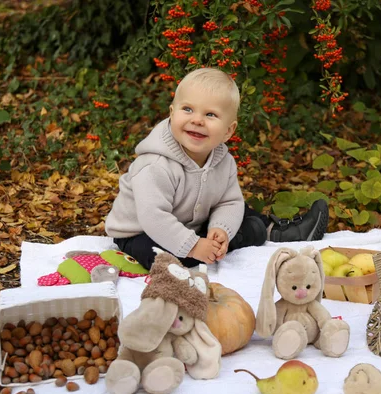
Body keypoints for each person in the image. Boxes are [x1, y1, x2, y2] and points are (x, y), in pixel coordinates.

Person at [105, 67, 329, 270]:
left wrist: (221, 228)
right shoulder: (155, 165)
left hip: (192, 221)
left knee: (238, 208)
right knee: (169, 259)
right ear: (172, 113)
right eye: (188, 109)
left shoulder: (223, 161)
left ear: (228, 131)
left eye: (210, 114)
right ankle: (235, 239)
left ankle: (274, 232)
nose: (198, 120)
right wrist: (193, 246)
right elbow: (153, 217)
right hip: (139, 233)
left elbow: (228, 201)